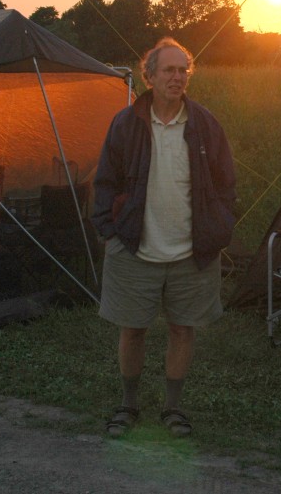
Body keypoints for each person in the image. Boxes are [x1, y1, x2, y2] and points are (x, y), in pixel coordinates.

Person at [91, 37, 236, 439]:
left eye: (183, 69)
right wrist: (111, 233)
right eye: (168, 70)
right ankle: (128, 404)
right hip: (135, 248)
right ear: (149, 76)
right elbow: (104, 181)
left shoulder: (204, 124)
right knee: (132, 329)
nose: (177, 77)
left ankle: (173, 409)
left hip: (192, 253)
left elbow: (227, 184)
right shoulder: (126, 124)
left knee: (182, 329)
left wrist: (219, 228)